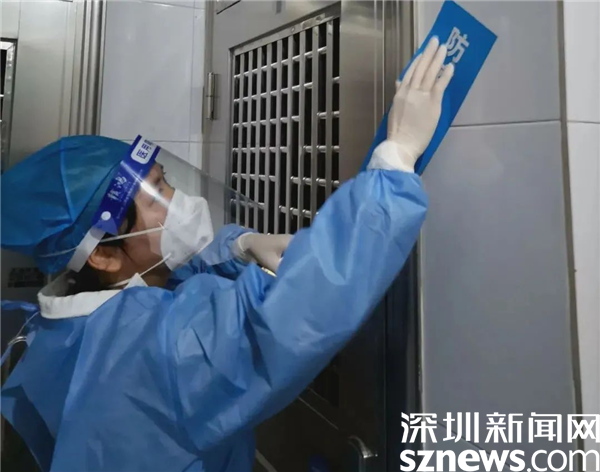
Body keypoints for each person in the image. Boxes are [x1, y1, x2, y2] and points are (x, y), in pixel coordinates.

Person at [0, 38, 452, 472]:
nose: (177, 200)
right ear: (101, 255)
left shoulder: (67, 327)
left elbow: (165, 288)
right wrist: (395, 161)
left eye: (164, 181)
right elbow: (287, 318)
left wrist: (238, 249)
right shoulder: (155, 351)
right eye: (155, 194)